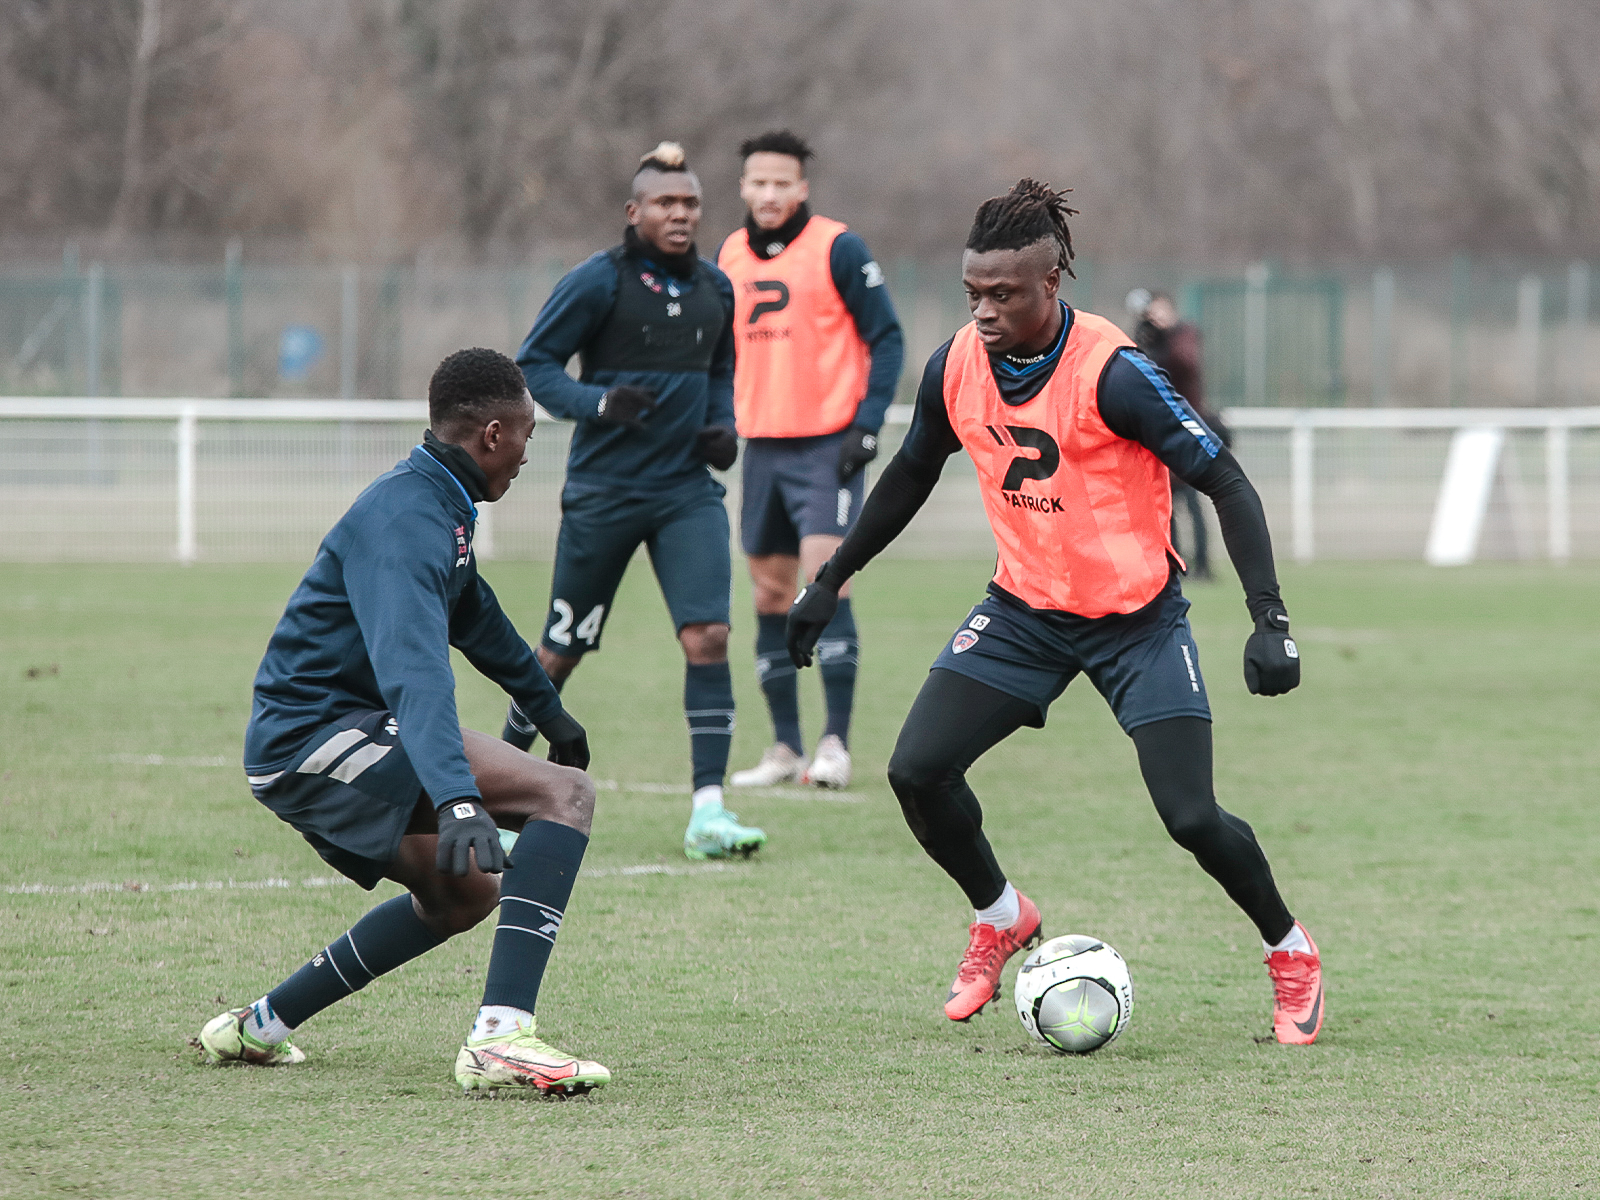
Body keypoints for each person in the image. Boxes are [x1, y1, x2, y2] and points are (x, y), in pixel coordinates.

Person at [788, 181, 1323, 1045]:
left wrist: (1270, 620)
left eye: (1004, 294)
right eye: (973, 294)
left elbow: (1224, 479)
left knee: (1190, 816)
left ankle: (1290, 949)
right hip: (1025, 612)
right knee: (916, 770)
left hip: (1137, 620)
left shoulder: (1113, 373)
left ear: (1053, 281)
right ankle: (1000, 914)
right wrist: (830, 578)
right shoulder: (956, 364)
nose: (986, 311)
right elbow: (910, 474)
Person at [201, 348, 609, 1095]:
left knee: (464, 894)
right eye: (526, 434)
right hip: (313, 739)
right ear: (491, 433)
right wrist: (456, 799)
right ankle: (500, 1038)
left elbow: (477, 620)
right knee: (566, 798)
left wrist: (554, 714)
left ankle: (258, 1027)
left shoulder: (438, 499)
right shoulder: (408, 519)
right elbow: (415, 675)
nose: (526, 452)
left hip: (331, 731)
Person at [499, 142, 765, 861]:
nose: (680, 215)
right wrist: (600, 401)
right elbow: (535, 368)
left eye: (691, 205)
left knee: (708, 636)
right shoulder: (599, 282)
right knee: (558, 653)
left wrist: (724, 430)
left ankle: (708, 811)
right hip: (604, 495)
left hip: (686, 495)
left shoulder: (717, 286)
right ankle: (495, 794)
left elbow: (721, 371)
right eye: (666, 204)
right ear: (634, 211)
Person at [717, 130, 904, 790]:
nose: (768, 194)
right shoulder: (730, 254)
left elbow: (887, 337)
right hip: (762, 447)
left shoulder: (838, 246)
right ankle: (785, 748)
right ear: (743, 187)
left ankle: (835, 744)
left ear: (801, 188)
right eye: (757, 182)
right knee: (769, 591)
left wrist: (868, 426)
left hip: (829, 446)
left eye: (781, 183)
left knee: (828, 579)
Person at [1128, 288, 1231, 580]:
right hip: (1160, 429)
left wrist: (1166, 334)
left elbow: (1185, 362)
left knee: (1190, 499)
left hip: (1188, 426)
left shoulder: (1184, 334)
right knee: (1167, 501)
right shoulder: (1149, 339)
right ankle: (1176, 562)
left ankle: (1201, 564)